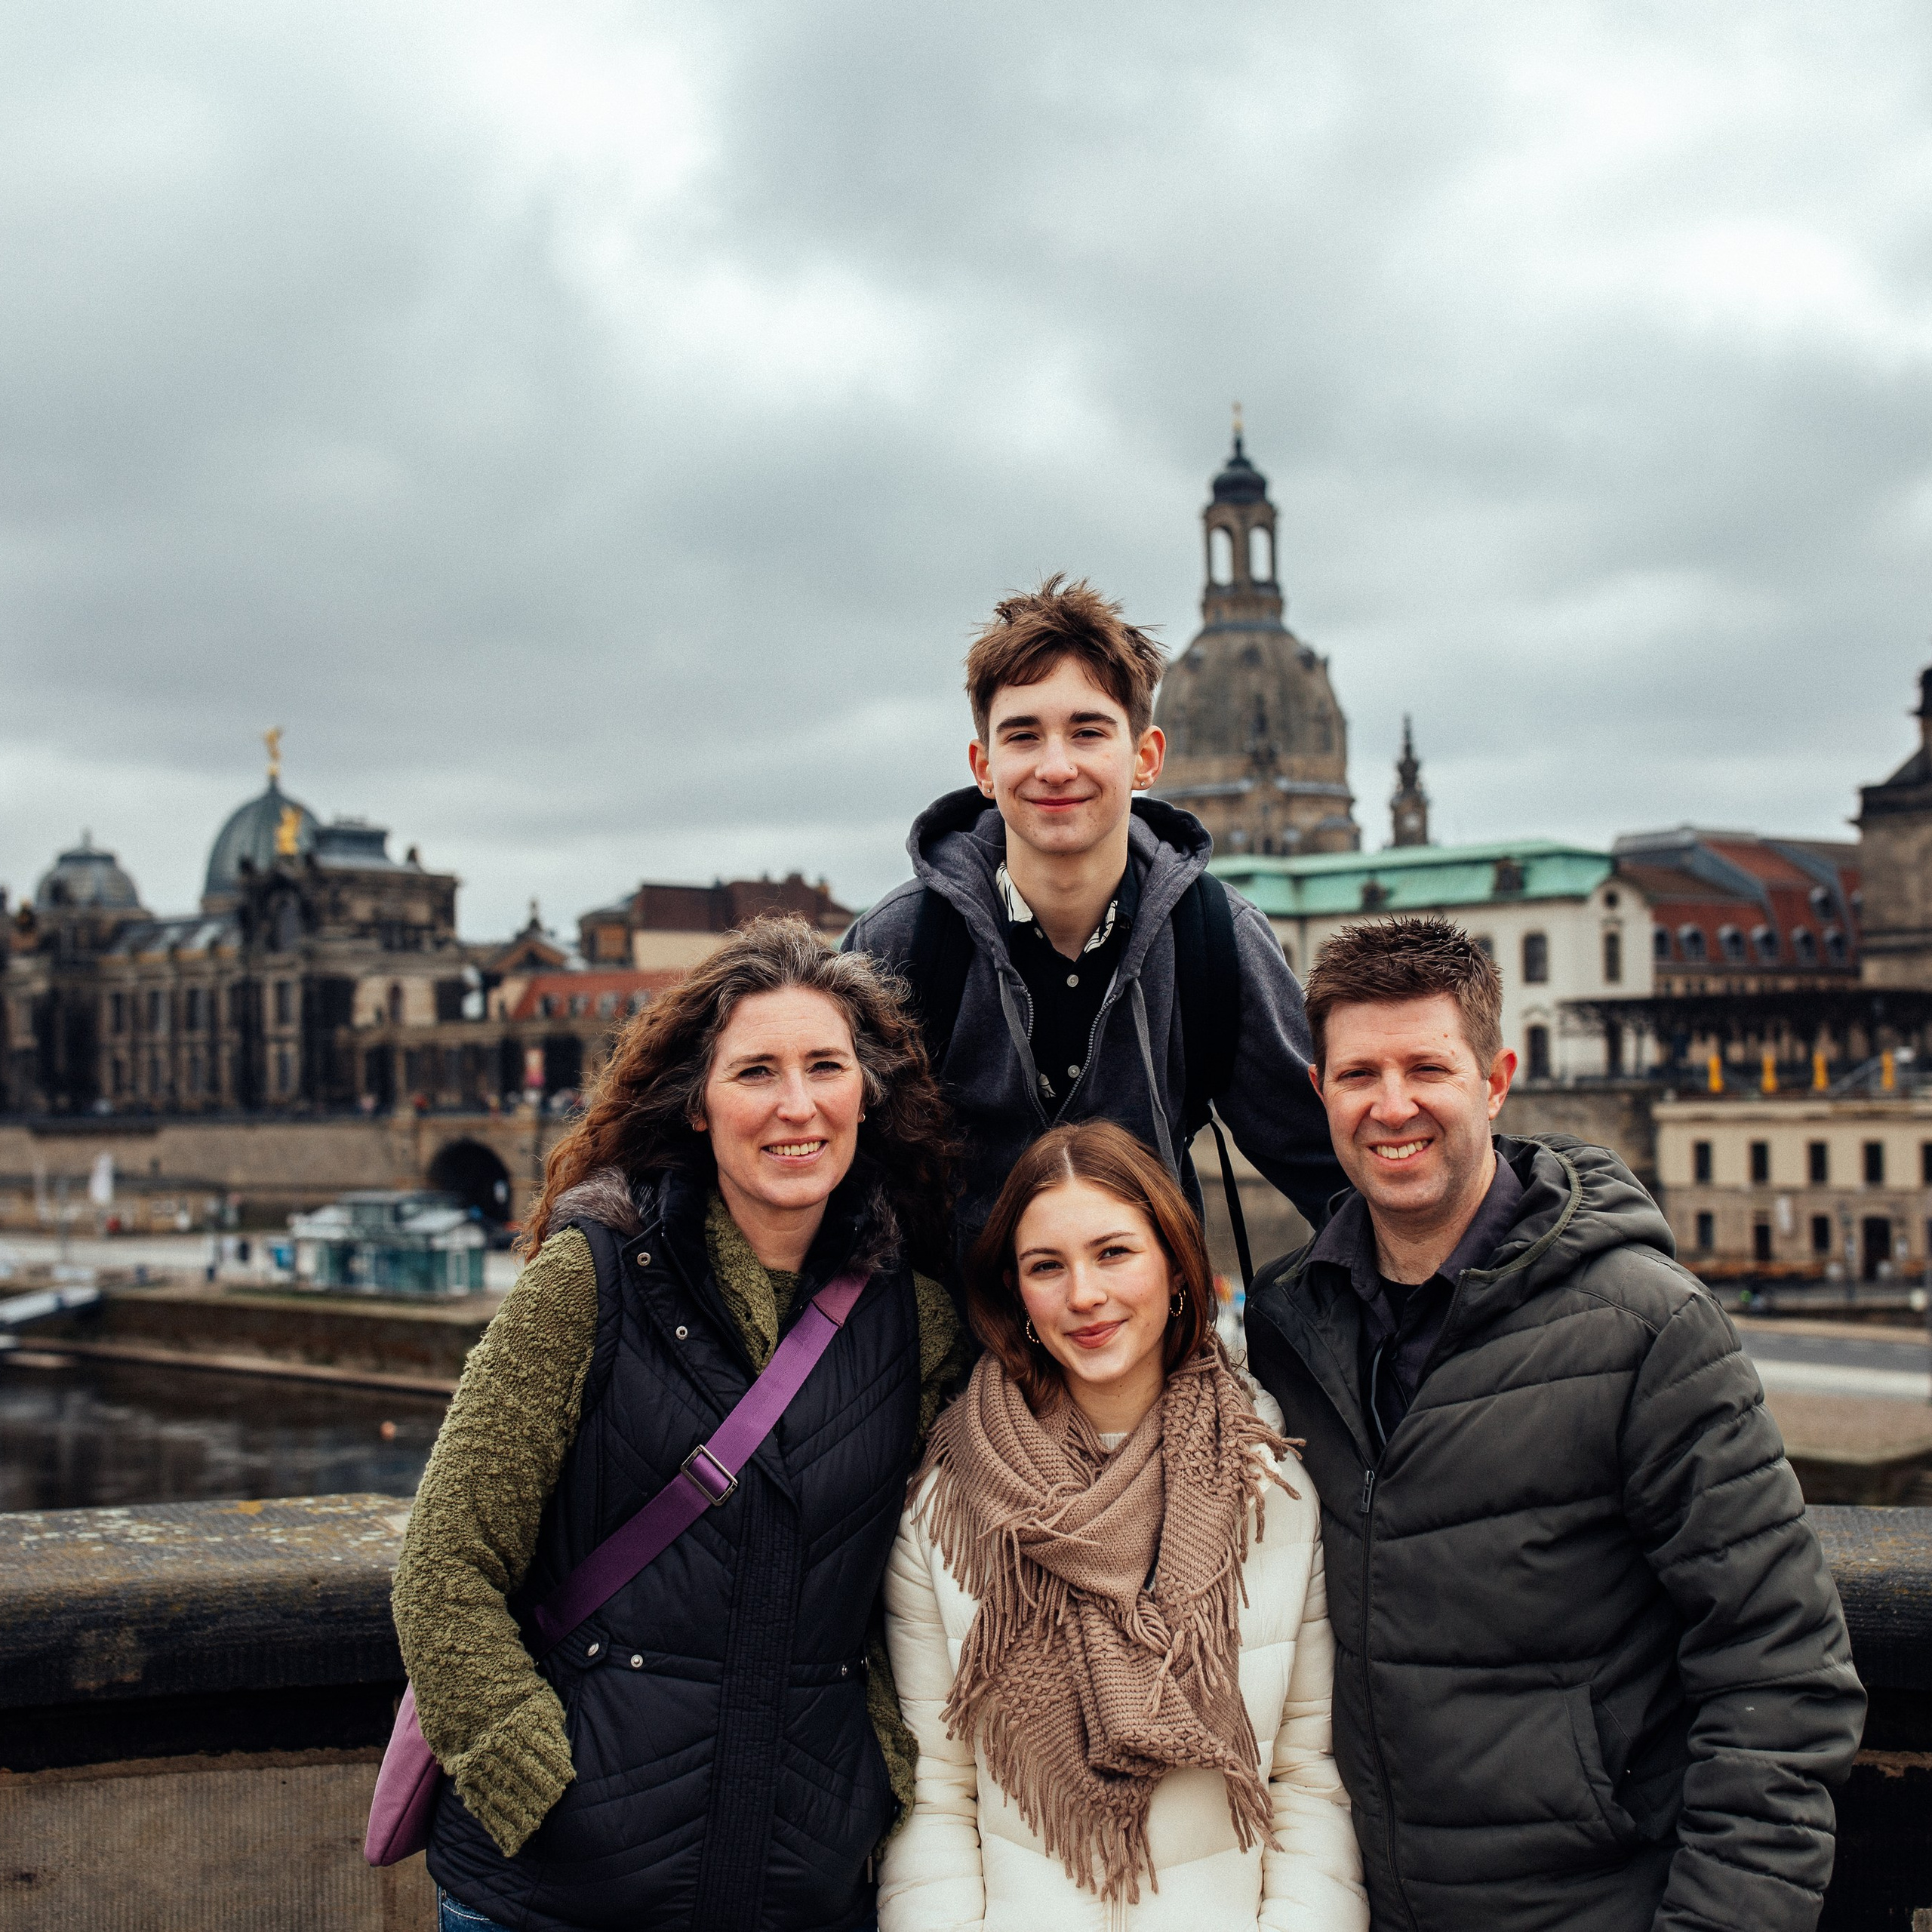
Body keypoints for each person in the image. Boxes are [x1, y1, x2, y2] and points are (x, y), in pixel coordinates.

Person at [1242, 915, 1865, 1932]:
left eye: (1426, 1069)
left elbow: (1782, 1678)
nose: (1391, 1106)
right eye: (1358, 1075)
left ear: (1496, 1080)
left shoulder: (1649, 1329)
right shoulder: (1287, 1330)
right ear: (1319, 1093)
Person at [392, 918, 968, 1932]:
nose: (797, 1106)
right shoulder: (589, 1280)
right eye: (756, 1072)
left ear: (865, 1095)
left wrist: (875, 1781)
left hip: (796, 1884)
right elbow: (445, 1565)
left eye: (825, 1066)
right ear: (697, 1105)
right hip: (556, 1892)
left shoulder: (912, 1322)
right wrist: (529, 1777)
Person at [881, 1118, 1367, 1931]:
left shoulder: (1269, 1484)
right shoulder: (949, 1503)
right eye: (1047, 1266)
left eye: (1113, 1252)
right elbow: (935, 1794)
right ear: (1015, 1293)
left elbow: (1308, 1781)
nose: (1083, 1295)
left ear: (1177, 1267)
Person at [842, 576, 1343, 1268]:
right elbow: (827, 1187)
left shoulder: (1216, 938)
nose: (1056, 766)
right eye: (1024, 736)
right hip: (947, 1369)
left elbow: (1338, 1169)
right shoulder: (901, 944)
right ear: (983, 767)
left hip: (1150, 1356)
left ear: (1145, 758)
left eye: (1087, 731)